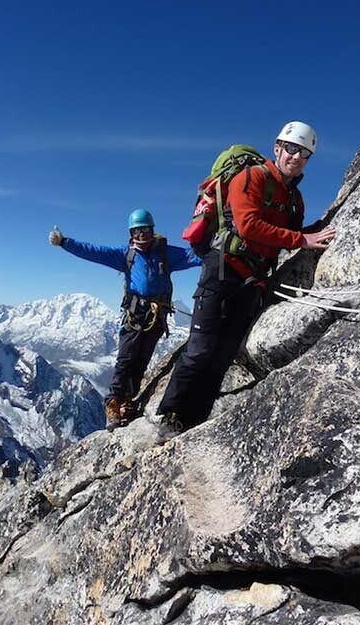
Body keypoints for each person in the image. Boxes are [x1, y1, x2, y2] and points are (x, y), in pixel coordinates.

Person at [156, 121, 337, 436]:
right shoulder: (251, 177)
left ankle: (193, 421)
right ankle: (169, 417)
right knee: (199, 350)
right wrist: (302, 240)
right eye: (291, 148)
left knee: (223, 355)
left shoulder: (296, 200)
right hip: (222, 270)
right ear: (277, 148)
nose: (295, 157)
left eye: (304, 153)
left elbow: (290, 235)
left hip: (253, 281)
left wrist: (310, 234)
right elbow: (248, 225)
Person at [49, 209, 202, 429]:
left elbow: (193, 256)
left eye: (145, 230)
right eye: (137, 231)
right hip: (135, 316)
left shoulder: (165, 254)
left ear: (152, 230)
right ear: (131, 234)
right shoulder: (126, 255)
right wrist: (65, 242)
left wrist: (218, 252)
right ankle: (113, 403)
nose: (142, 235)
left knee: (141, 361)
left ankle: (127, 401)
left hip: (156, 317)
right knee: (126, 360)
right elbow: (94, 252)